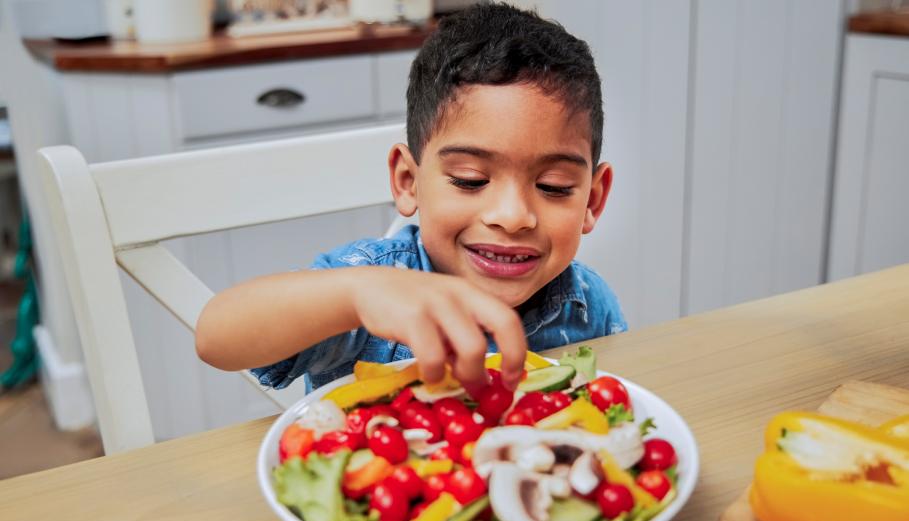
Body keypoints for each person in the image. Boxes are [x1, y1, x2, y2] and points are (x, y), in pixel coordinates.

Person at [195, 2, 626, 397]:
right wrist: (354, 297)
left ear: (592, 198)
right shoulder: (370, 291)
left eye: (553, 186)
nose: (512, 217)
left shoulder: (589, 303)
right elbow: (215, 338)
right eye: (470, 179)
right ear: (407, 181)